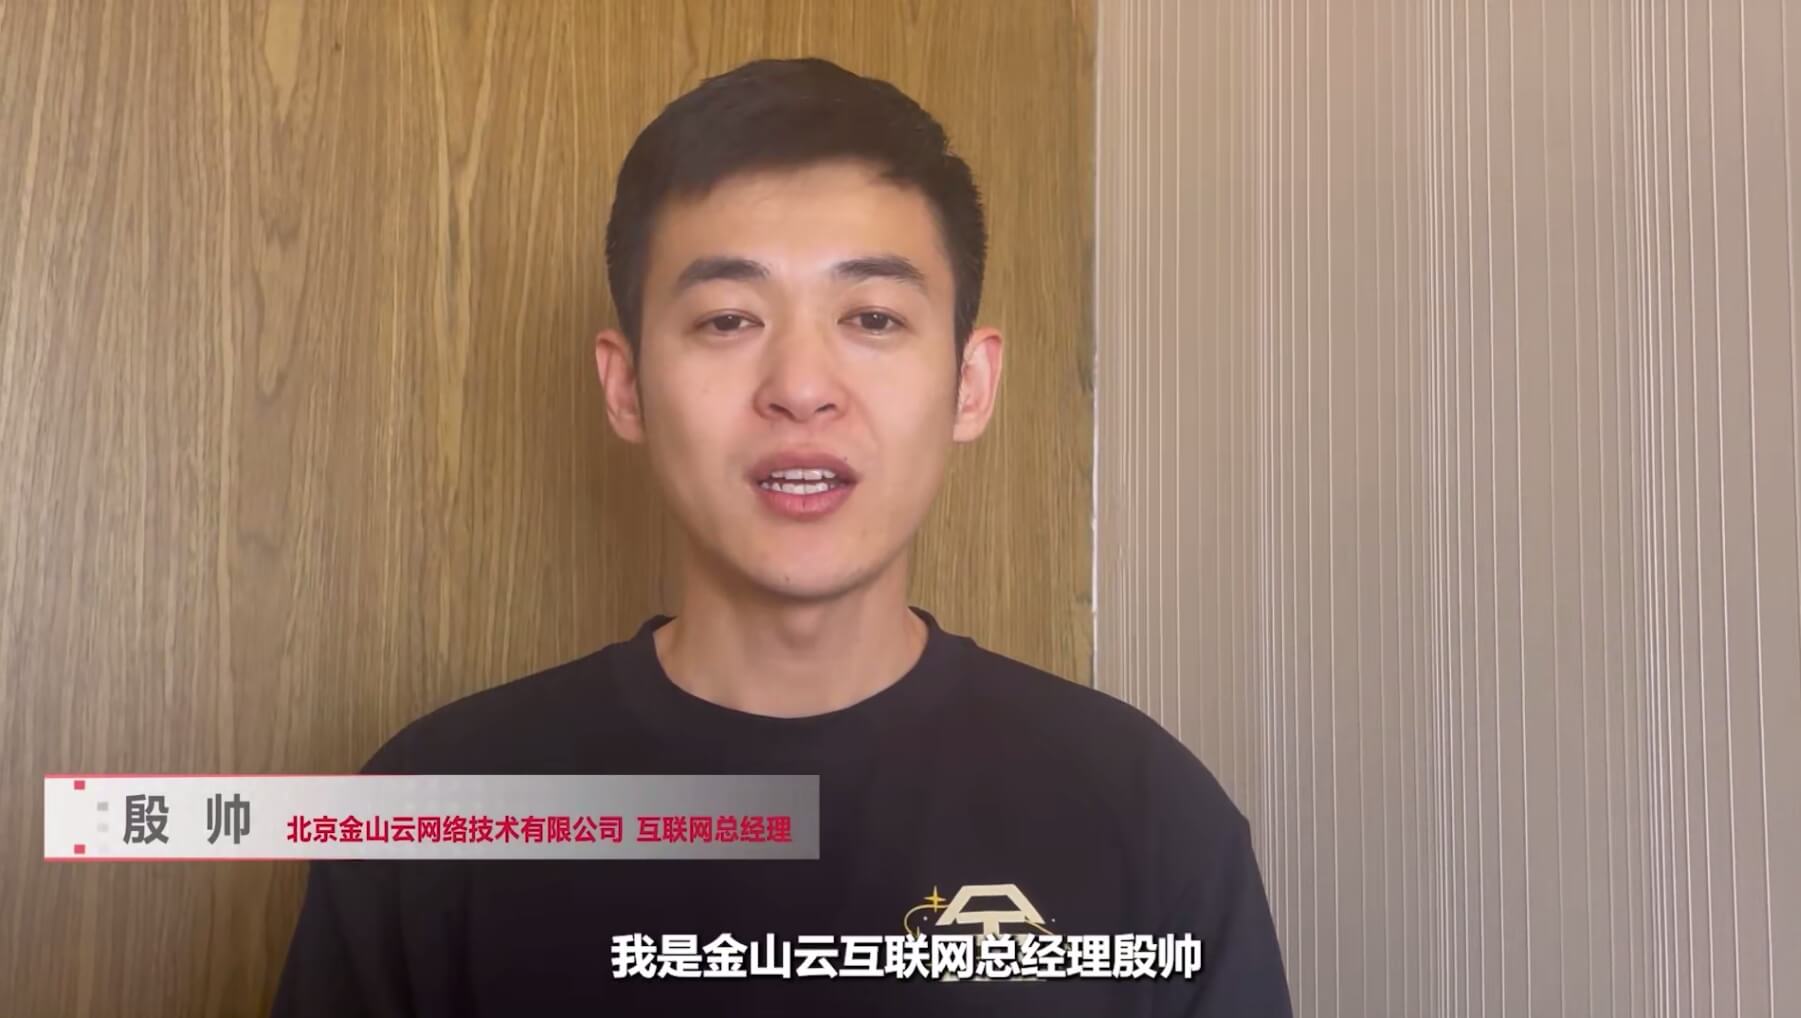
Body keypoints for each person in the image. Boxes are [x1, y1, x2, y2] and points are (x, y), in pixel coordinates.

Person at [270, 56, 1291, 1018]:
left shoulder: (1144, 811)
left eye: (873, 318)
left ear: (970, 383)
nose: (801, 387)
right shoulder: (438, 811)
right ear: (625, 385)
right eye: (728, 319)